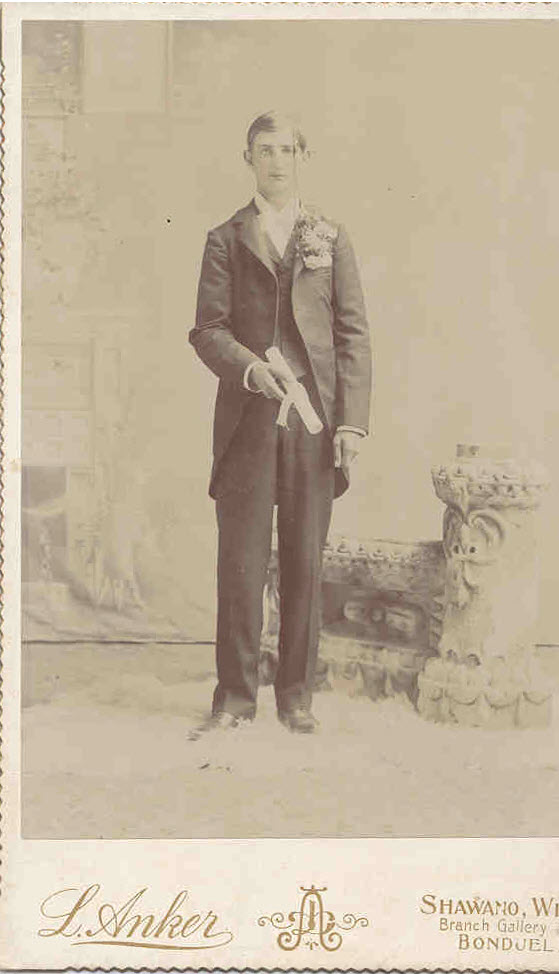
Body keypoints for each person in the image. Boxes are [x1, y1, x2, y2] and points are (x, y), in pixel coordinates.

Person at [188, 111, 371, 735]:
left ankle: (296, 699)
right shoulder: (225, 238)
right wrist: (248, 368)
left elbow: (353, 336)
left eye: (287, 150)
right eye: (264, 150)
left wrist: (351, 424)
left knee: (303, 564)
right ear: (249, 159)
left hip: (313, 425)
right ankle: (235, 699)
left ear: (302, 157)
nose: (276, 161)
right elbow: (207, 330)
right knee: (240, 563)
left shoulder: (330, 238)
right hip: (248, 421)